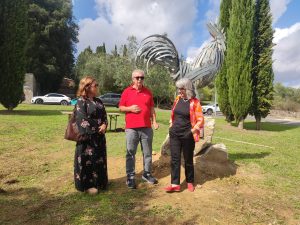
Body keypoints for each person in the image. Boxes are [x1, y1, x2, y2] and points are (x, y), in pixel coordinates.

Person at [119, 69, 159, 189]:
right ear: (133, 79)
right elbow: (121, 107)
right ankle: (130, 177)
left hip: (146, 127)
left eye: (142, 77)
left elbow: (151, 108)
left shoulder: (148, 92)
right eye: (137, 77)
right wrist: (130, 108)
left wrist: (155, 122)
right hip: (131, 128)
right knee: (130, 153)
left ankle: (146, 174)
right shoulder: (127, 92)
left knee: (147, 153)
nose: (140, 79)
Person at [164, 78, 204, 192]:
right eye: (179, 89)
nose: (179, 91)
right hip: (175, 134)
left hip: (187, 135)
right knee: (175, 159)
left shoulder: (195, 102)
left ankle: (190, 182)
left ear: (188, 89)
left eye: (182, 89)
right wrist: (171, 124)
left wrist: (191, 131)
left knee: (188, 160)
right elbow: (173, 113)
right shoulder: (177, 99)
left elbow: (200, 119)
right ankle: (175, 184)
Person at [74, 76, 108, 195]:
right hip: (87, 139)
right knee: (87, 161)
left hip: (99, 138)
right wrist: (96, 129)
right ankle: (88, 185)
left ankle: (100, 182)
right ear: (87, 87)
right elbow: (82, 120)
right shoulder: (81, 101)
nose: (97, 87)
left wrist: (104, 125)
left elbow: (104, 117)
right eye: (95, 85)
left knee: (99, 160)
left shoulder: (99, 101)